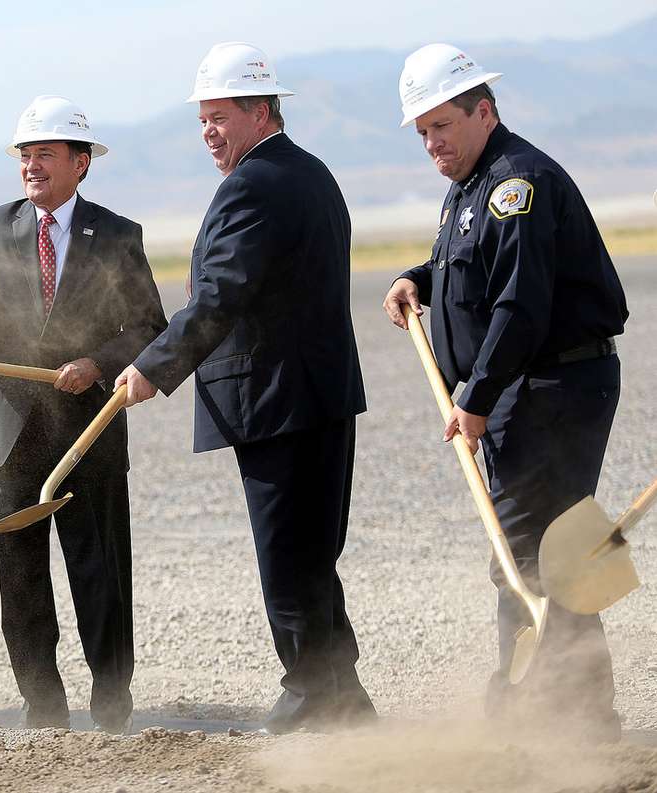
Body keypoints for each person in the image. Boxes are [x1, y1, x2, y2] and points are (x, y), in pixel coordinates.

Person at [116, 43, 375, 734]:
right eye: (202, 119)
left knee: (289, 559)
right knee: (312, 554)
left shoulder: (254, 185)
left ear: (261, 110)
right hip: (316, 396)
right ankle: (343, 694)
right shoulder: (311, 173)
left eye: (220, 116)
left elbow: (220, 294)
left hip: (276, 404)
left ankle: (309, 694)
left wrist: (152, 364)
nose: (208, 131)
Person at [0, 96, 166, 733]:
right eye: (25, 154)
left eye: (45, 154)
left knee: (100, 569)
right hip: (11, 429)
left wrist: (98, 363)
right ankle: (43, 708)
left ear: (80, 164)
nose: (32, 166)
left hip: (90, 428)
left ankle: (112, 703)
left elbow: (148, 325)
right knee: (20, 575)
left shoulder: (118, 235)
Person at [381, 44, 628, 739]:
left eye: (443, 126)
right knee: (565, 546)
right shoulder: (471, 183)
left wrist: (477, 398)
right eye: (423, 131)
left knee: (520, 551)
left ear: (483, 111)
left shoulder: (516, 184)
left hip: (552, 384)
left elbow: (520, 304)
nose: (432, 143)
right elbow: (465, 265)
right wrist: (417, 280)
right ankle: (587, 716)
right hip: (529, 384)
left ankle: (519, 715)